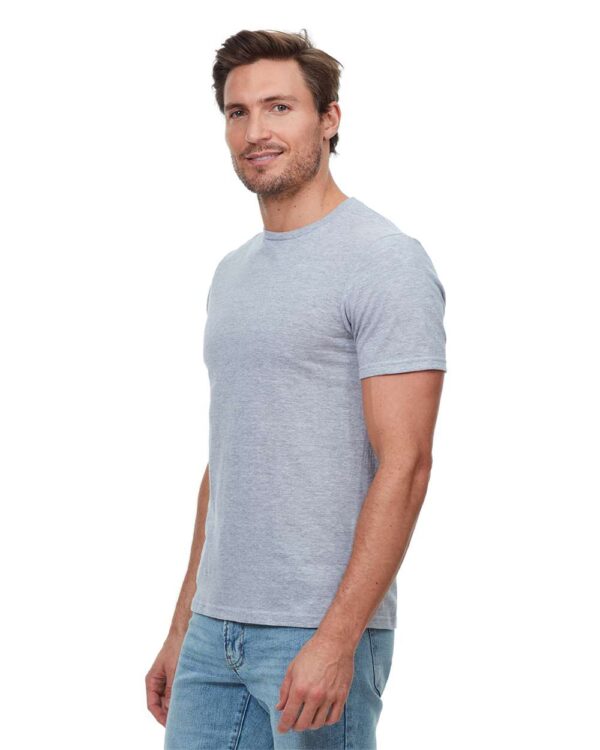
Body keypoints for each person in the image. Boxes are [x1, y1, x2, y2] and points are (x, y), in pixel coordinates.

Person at [146, 27, 447, 749]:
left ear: (329, 118)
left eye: (279, 107)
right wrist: (183, 624)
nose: (256, 131)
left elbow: (406, 465)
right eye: (238, 111)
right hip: (214, 631)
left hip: (316, 629)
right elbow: (229, 459)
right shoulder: (232, 273)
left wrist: (337, 639)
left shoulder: (384, 261)